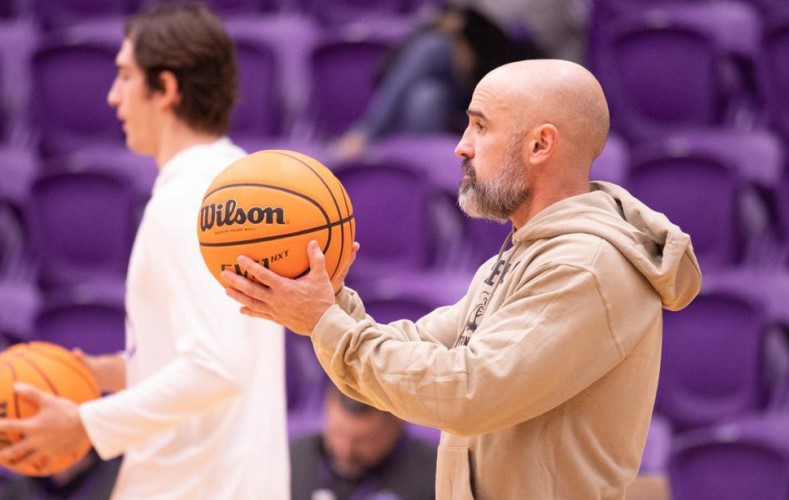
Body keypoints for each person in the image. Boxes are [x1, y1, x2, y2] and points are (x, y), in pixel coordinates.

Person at [222, 58, 703, 499]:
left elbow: (466, 390)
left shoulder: (584, 267)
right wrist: (329, 303)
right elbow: (418, 349)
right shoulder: (525, 255)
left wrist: (324, 321)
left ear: (540, 145)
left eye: (479, 126)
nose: (461, 146)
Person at [0, 4, 290, 499]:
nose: (114, 97)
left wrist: (85, 422)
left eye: (125, 77)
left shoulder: (186, 200)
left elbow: (216, 366)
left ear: (167, 89)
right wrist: (109, 372)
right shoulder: (236, 182)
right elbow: (216, 352)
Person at [330, 3, 544, 161]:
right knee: (427, 97)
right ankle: (413, 172)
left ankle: (366, 132)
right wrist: (459, 31)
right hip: (457, 71)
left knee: (433, 47)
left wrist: (477, 38)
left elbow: (535, 36)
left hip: (502, 72)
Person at [291, 386, 436, 500]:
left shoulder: (435, 476)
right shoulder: (292, 460)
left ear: (397, 425)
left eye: (364, 441)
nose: (346, 450)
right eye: (338, 433)